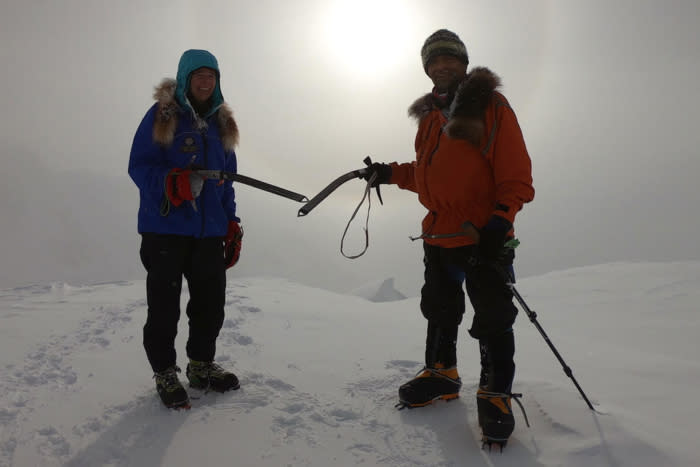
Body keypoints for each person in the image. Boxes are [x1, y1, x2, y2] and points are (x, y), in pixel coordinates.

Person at [361, 29, 534, 445]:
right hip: (439, 234)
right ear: (427, 68)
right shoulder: (429, 119)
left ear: (463, 63)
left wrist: (498, 222)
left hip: (482, 237)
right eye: (434, 61)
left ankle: (495, 393)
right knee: (439, 309)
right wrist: (390, 172)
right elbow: (427, 176)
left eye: (449, 59)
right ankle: (442, 373)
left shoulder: (489, 105)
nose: (442, 66)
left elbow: (517, 176)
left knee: (493, 316)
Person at [128, 49, 243, 409]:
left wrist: (231, 223)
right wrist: (170, 182)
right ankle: (164, 371)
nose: (206, 82)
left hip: (208, 232)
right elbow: (139, 165)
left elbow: (227, 181)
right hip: (166, 229)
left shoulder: (223, 124)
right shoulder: (163, 115)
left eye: (212, 76)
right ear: (185, 79)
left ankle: (200, 366)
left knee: (210, 304)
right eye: (199, 76)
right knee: (164, 306)